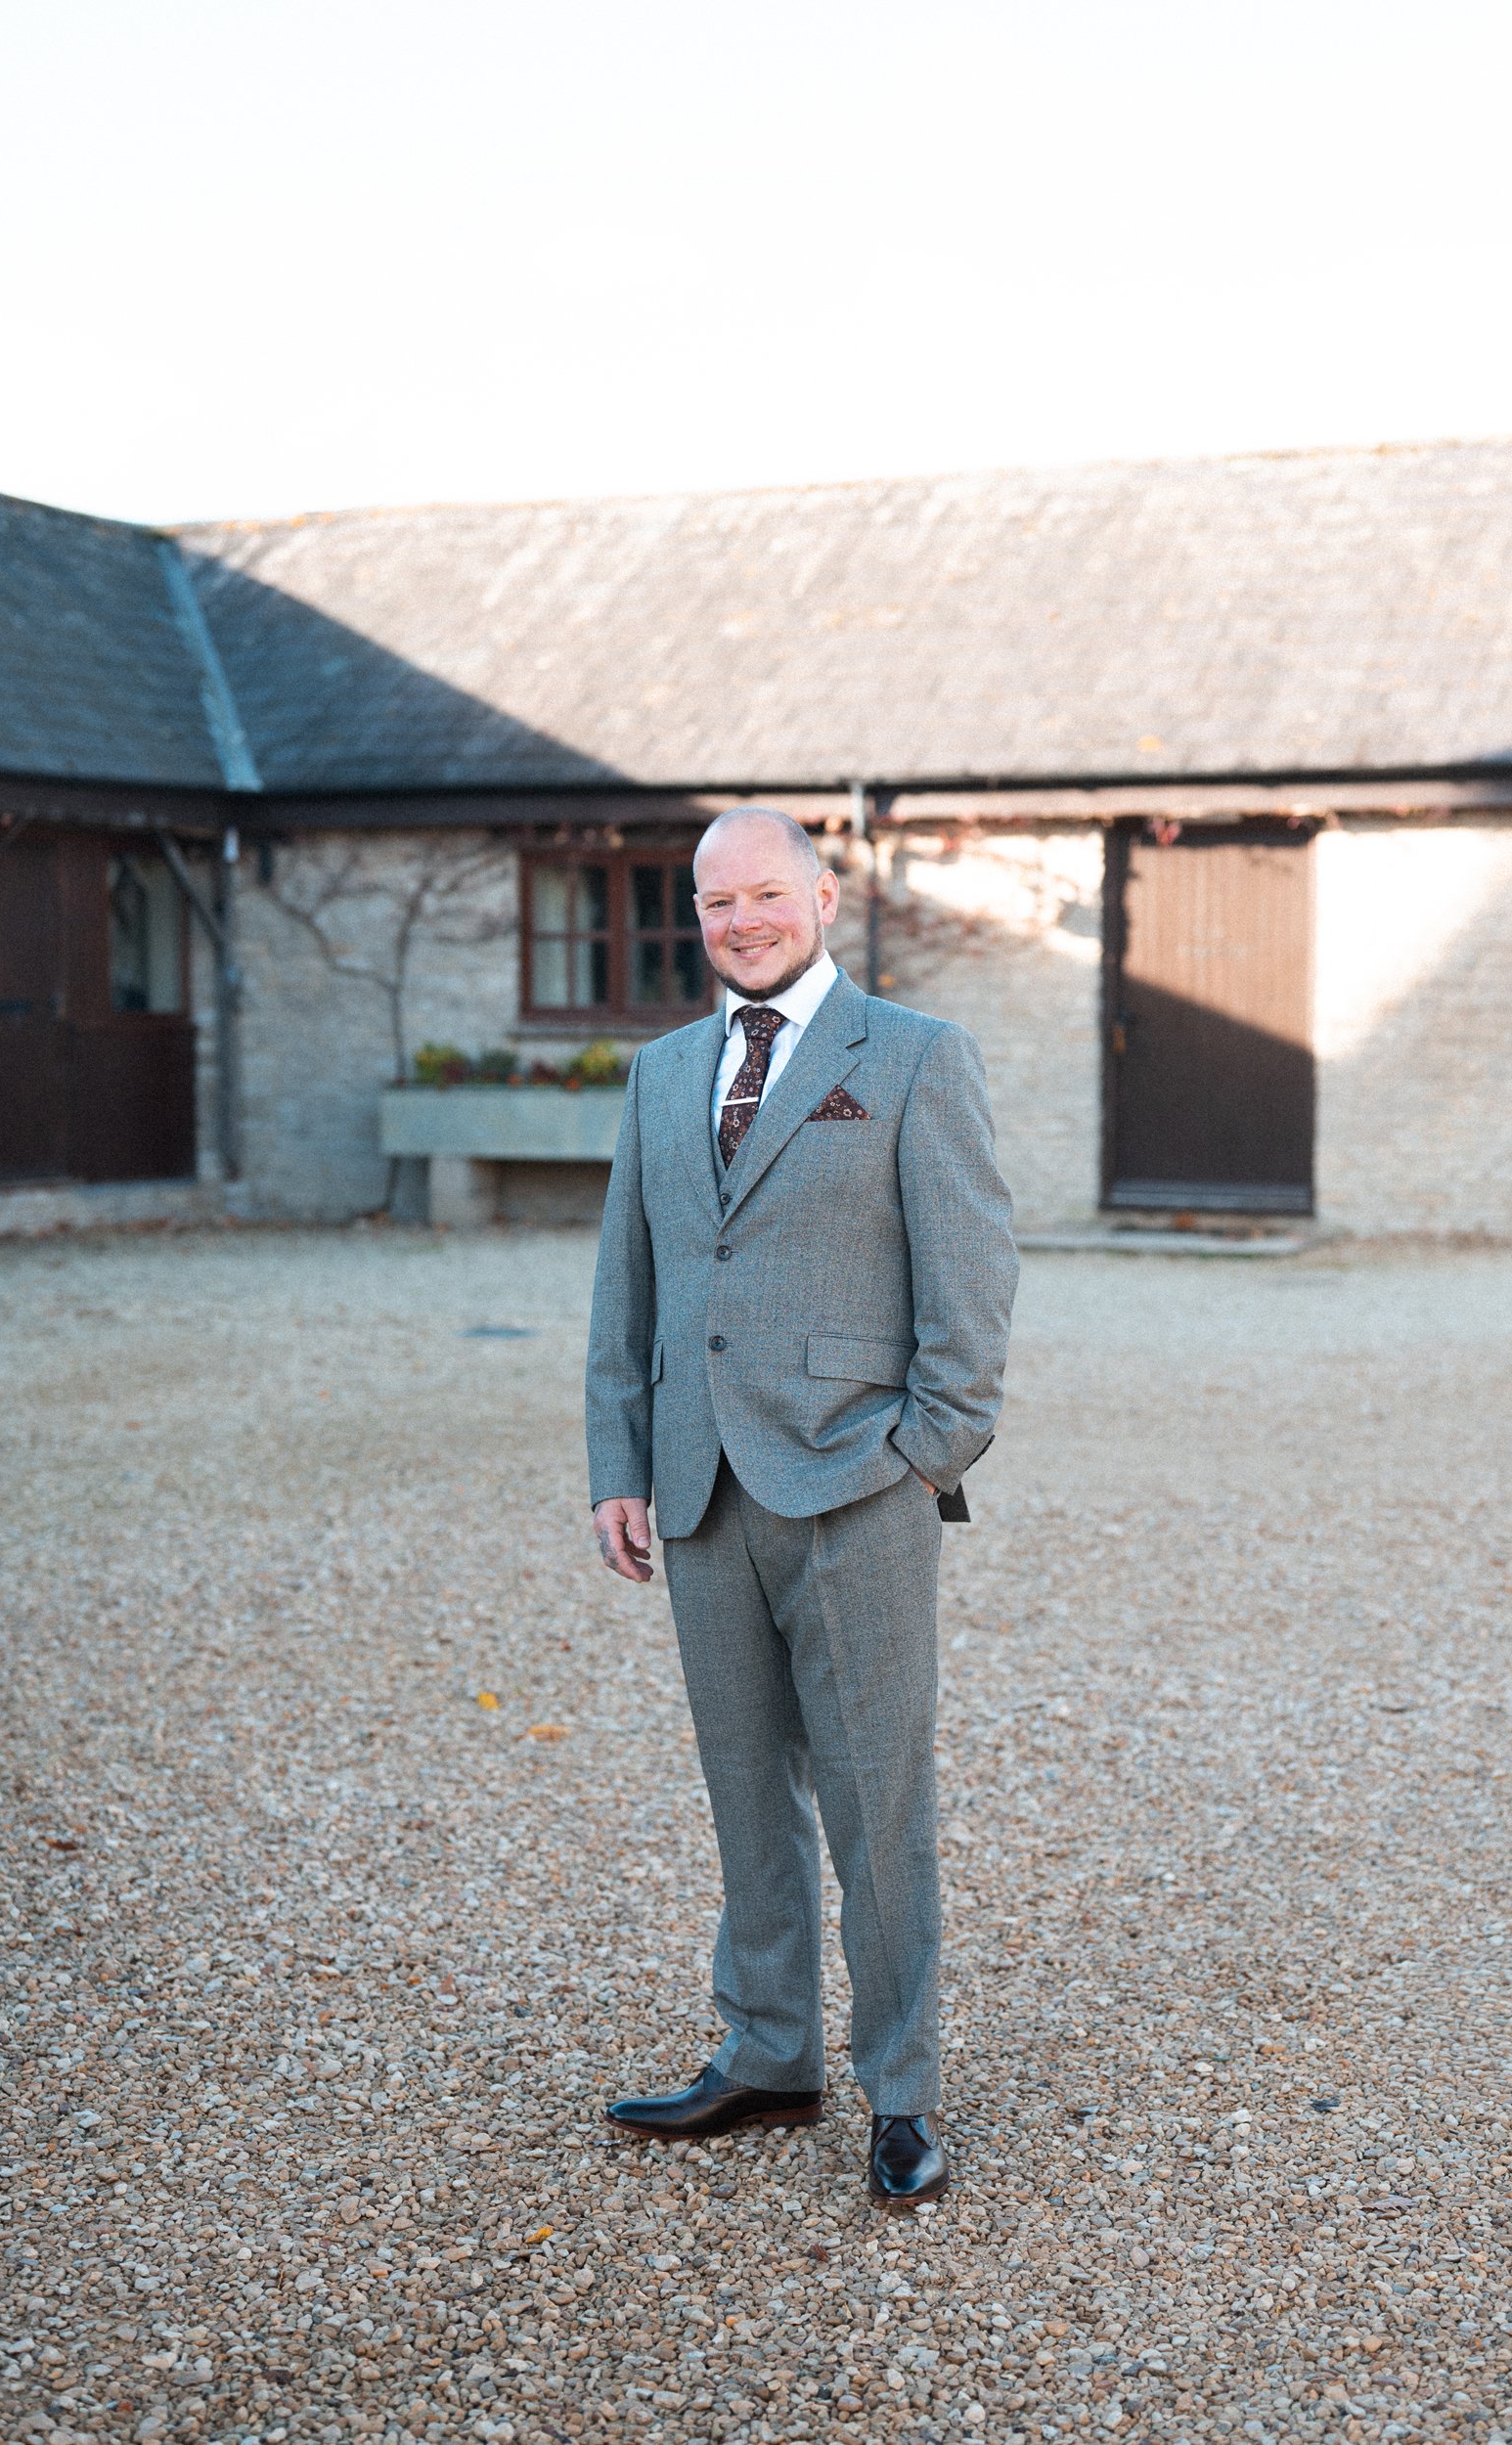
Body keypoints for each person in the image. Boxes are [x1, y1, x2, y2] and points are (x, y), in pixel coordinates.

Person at [585, 805, 1017, 2207]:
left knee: (876, 1804)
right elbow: (627, 1291)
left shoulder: (912, 1059)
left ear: (823, 898)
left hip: (855, 1485)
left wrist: (927, 1451)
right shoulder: (661, 1074)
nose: (740, 923)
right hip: (702, 1490)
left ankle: (903, 2095)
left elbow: (971, 1283)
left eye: (765, 895)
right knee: (742, 1802)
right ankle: (768, 2056)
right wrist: (620, 1462)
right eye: (715, 905)